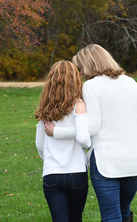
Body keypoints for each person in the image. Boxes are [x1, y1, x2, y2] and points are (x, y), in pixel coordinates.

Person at [45, 44, 137, 222]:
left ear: (90, 64)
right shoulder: (130, 82)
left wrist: (57, 132)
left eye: (81, 67)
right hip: (135, 162)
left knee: (111, 216)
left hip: (105, 163)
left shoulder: (91, 86)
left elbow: (92, 128)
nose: (81, 73)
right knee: (124, 211)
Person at [35, 60, 91, 222]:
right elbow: (83, 138)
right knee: (75, 218)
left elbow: (40, 144)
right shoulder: (79, 105)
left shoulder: (45, 108)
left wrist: (51, 158)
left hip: (52, 173)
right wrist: (87, 145)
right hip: (77, 173)